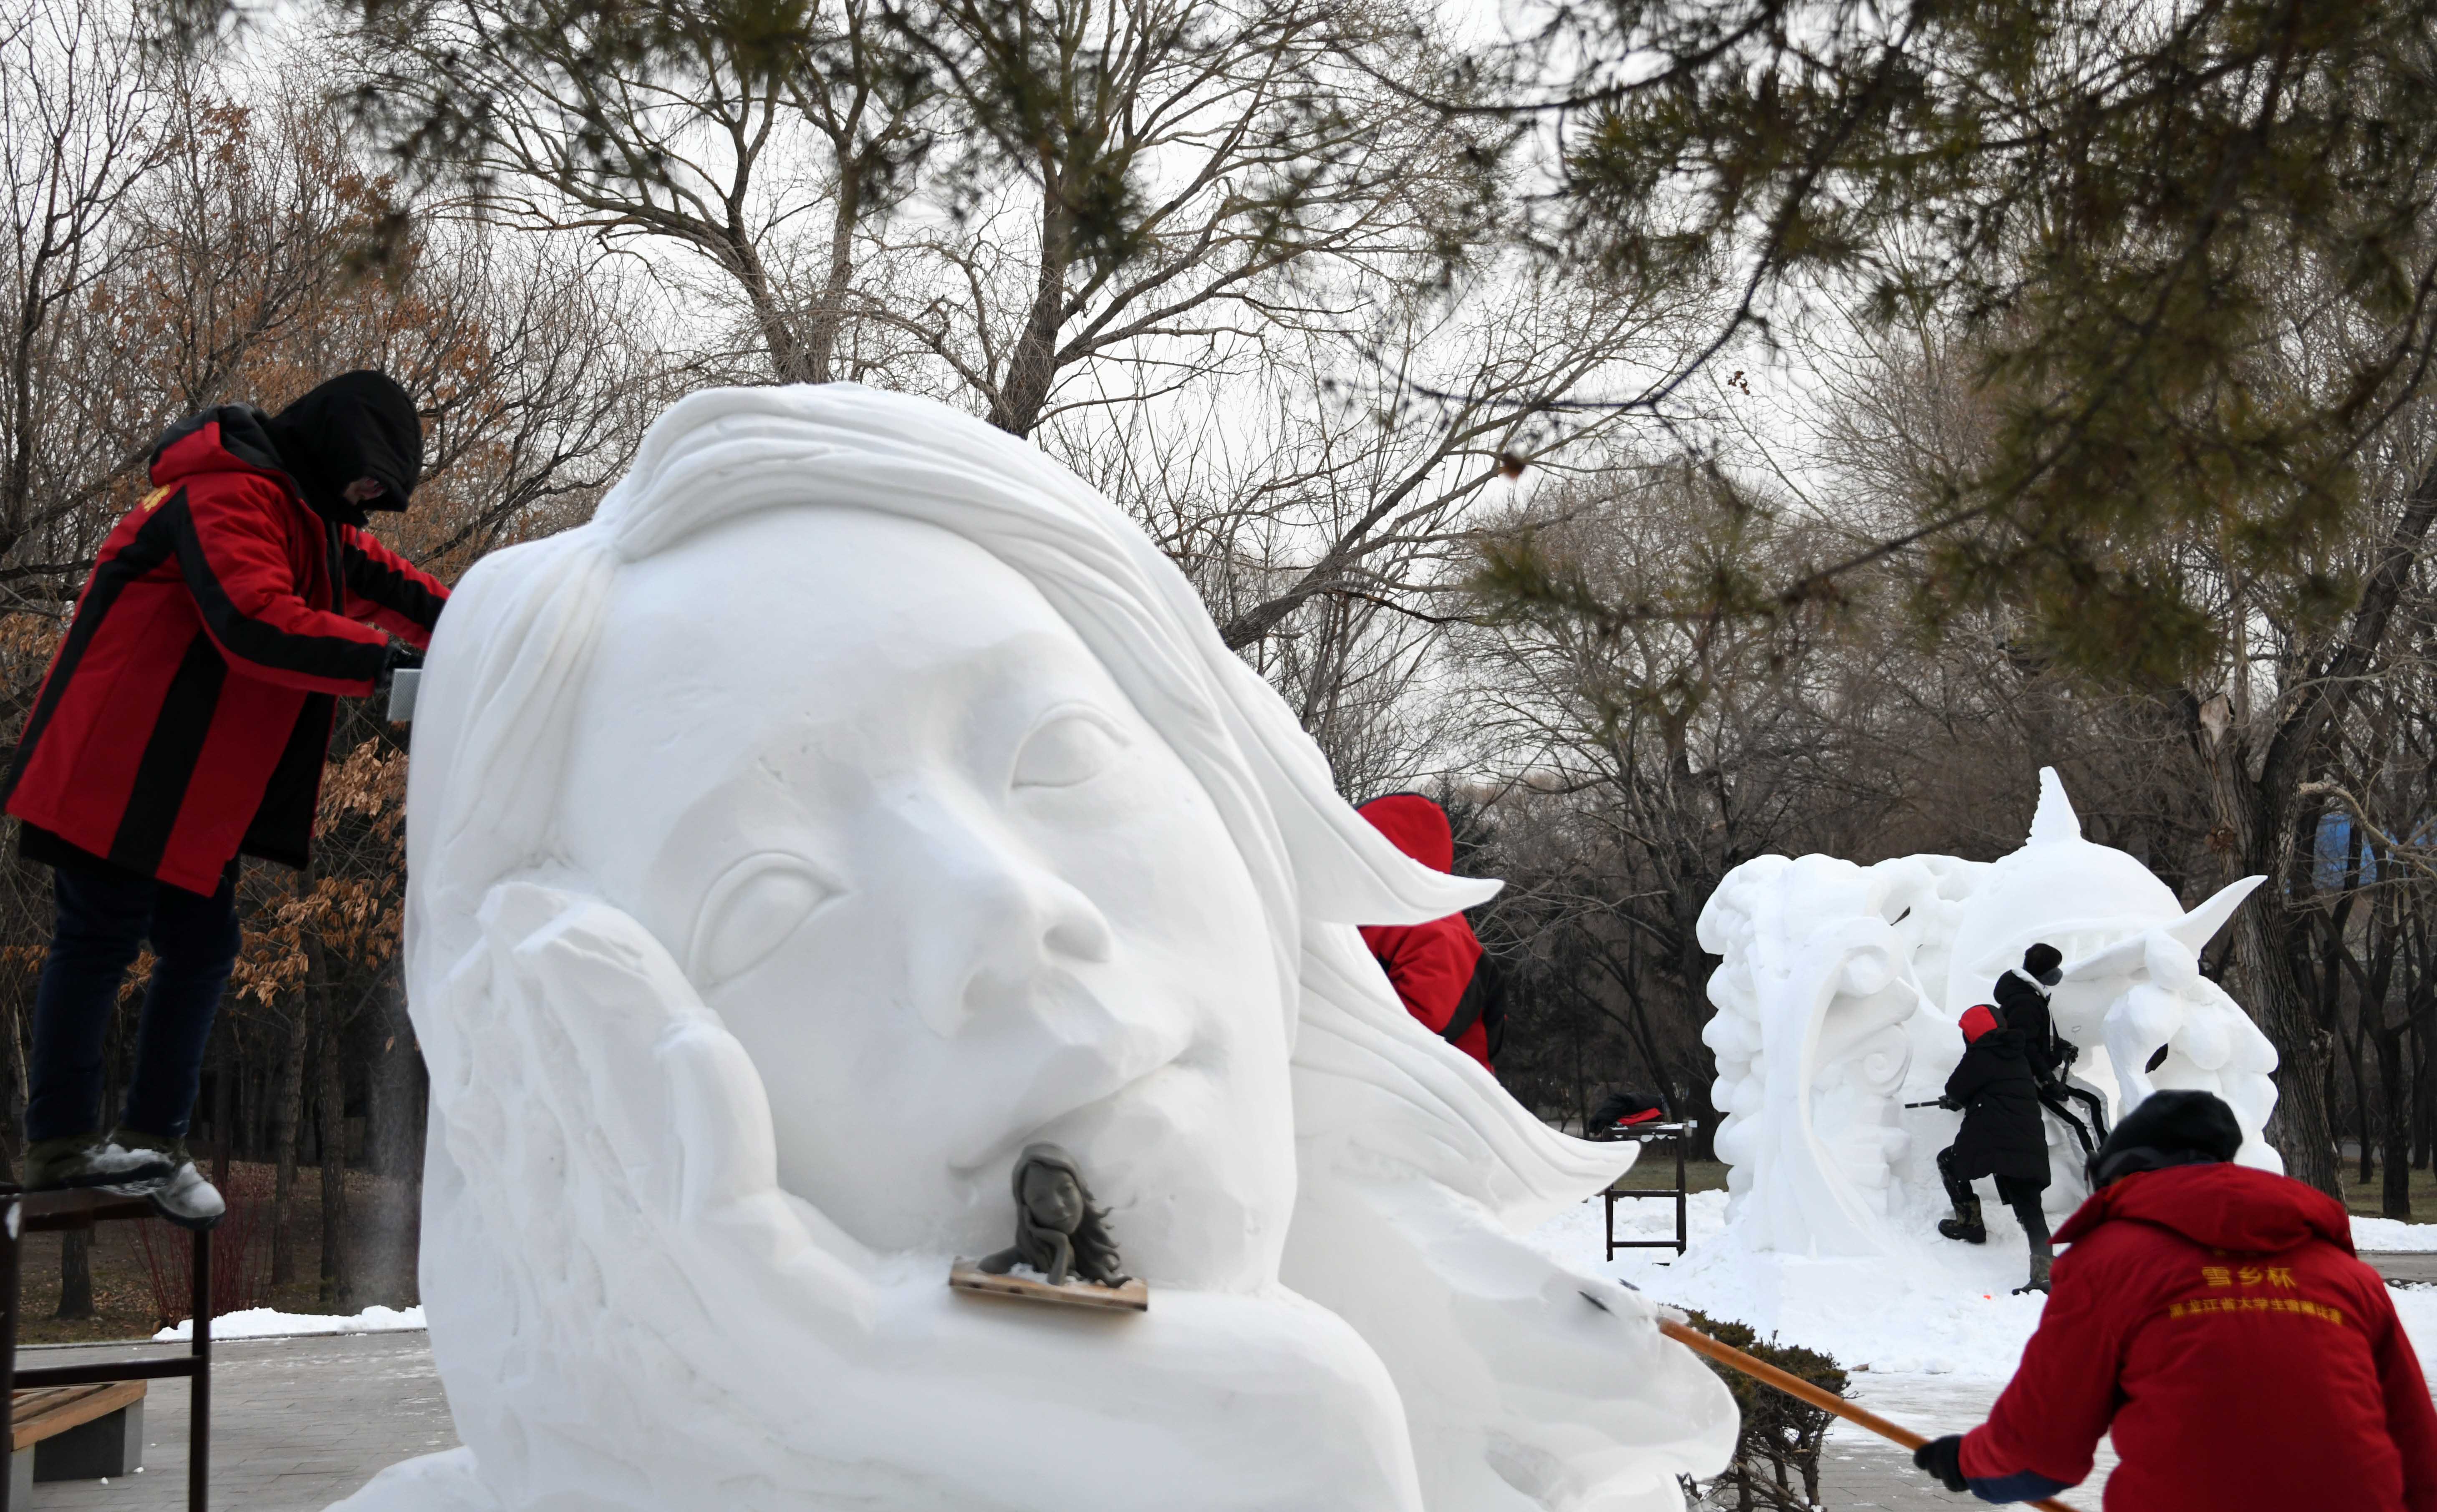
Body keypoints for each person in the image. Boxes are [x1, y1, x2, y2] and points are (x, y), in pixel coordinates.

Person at [0, 371, 448, 1226]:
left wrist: (506, 629)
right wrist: (383, 665)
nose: (366, 501)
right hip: (115, 766)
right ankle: (60, 1146)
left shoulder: (309, 523)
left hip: (181, 793)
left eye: (379, 495)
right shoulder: (227, 492)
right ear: (335, 445)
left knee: (202, 948)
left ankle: (151, 1141)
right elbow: (253, 618)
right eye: (367, 480)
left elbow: (407, 593)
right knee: (100, 937)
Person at [1912, 1089, 2437, 1510]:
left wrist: (1967, 1462)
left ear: (2121, 1174)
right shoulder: (2343, 1274)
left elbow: (2037, 1459)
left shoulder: (2109, 1263)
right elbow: (2419, 1449)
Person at [1355, 792, 1502, 1071]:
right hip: (1388, 1090)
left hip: (1443, 1096)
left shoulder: (1436, 929)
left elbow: (1423, 1029)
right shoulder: (1370, 922)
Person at [1934, 1001, 2054, 1292]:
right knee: (2030, 1207)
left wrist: (1953, 1101)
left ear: (1972, 1034)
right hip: (2027, 1139)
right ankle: (2045, 1275)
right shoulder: (2018, 1053)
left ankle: (1970, 1224)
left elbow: (1955, 1090)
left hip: (1991, 1136)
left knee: (1949, 1162)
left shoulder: (1980, 1055)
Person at [1994, 941, 2110, 1159]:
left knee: (2097, 1100)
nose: (2059, 973)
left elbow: (2037, 1035)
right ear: (2043, 972)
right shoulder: (2024, 1001)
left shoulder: (2033, 994)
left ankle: (2111, 1154)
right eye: (2055, 968)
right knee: (2078, 1125)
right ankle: (2098, 1181)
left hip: (2050, 1069)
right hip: (2036, 1076)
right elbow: (2024, 1045)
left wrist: (2061, 1047)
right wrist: (2047, 1080)